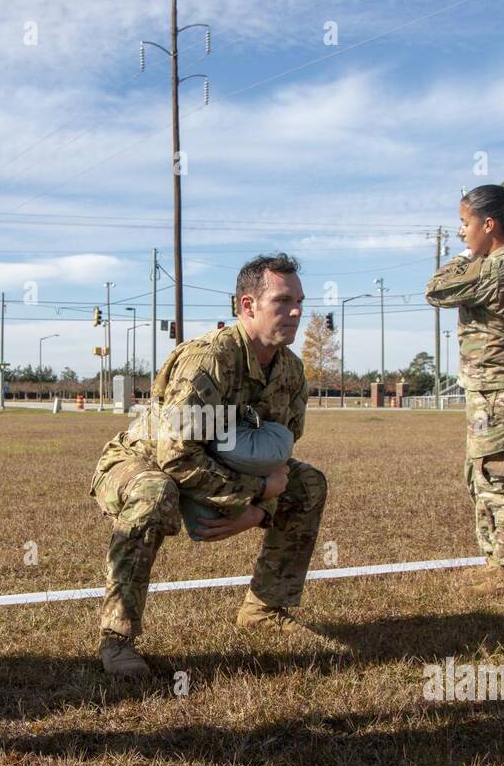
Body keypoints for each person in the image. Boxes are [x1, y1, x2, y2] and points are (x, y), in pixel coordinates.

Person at [89, 253, 327, 677]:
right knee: (154, 492)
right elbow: (176, 456)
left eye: (300, 303)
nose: (295, 312)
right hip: (144, 461)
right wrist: (252, 497)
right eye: (283, 301)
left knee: (306, 483)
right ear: (247, 306)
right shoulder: (207, 360)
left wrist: (259, 508)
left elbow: (280, 455)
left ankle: (265, 611)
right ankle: (117, 638)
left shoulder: (290, 369)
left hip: (214, 469)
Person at [426, 186, 504, 592]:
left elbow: (436, 289)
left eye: (466, 224)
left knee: (499, 477)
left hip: (498, 388)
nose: (463, 233)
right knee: (491, 472)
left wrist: (469, 256)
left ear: (489, 224)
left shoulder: (496, 270)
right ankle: (497, 559)